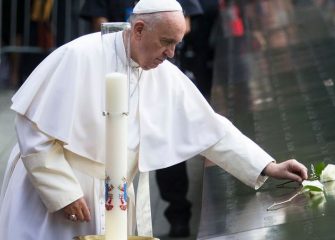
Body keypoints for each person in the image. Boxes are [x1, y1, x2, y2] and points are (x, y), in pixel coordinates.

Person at [0, 0, 308, 239]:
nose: (171, 54)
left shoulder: (160, 69)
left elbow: (210, 128)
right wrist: (63, 193)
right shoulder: (78, 56)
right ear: (138, 30)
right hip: (54, 195)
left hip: (111, 197)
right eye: (165, 42)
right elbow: (33, 129)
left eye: (177, 44)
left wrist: (268, 165)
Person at [81, 0, 204, 237]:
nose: (173, 49)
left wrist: (264, 166)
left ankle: (178, 215)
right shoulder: (79, 55)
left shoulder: (167, 66)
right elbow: (99, 22)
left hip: (155, 72)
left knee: (168, 152)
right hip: (116, 67)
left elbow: (183, 24)